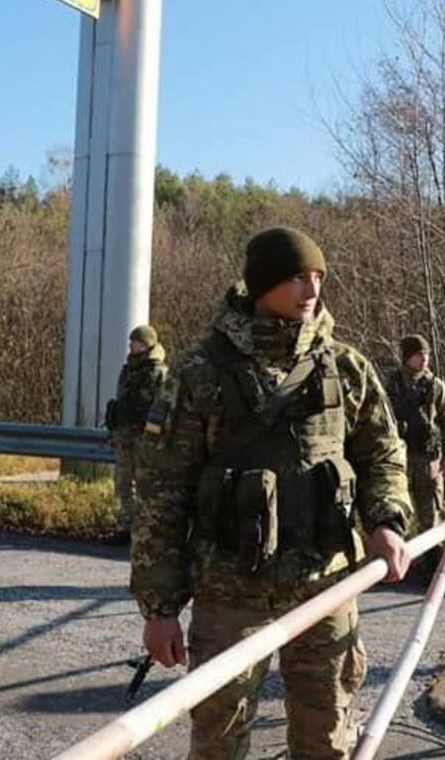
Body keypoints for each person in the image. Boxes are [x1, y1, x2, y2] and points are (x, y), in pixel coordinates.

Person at [131, 226, 413, 760]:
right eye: (296, 277)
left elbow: (383, 455)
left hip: (325, 584)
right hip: (230, 589)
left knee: (326, 737)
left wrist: (387, 521)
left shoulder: (345, 366)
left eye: (318, 277)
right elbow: (163, 494)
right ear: (261, 285)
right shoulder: (201, 374)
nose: (312, 290)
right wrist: (160, 607)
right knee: (219, 738)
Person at [384, 334, 445, 564]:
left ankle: (433, 567)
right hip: (400, 460)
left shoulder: (435, 386)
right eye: (419, 355)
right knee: (397, 513)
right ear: (407, 357)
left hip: (428, 460)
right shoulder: (393, 385)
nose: (424, 359)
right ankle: (397, 563)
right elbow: (380, 419)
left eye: (426, 354)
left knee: (431, 518)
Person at [106, 324, 168, 543]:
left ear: (147, 344)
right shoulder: (129, 370)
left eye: (137, 342)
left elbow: (161, 408)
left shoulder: (158, 372)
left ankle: (144, 530)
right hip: (125, 436)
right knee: (123, 482)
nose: (132, 345)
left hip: (144, 438)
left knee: (144, 485)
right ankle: (126, 526)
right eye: (132, 342)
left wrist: (153, 436)